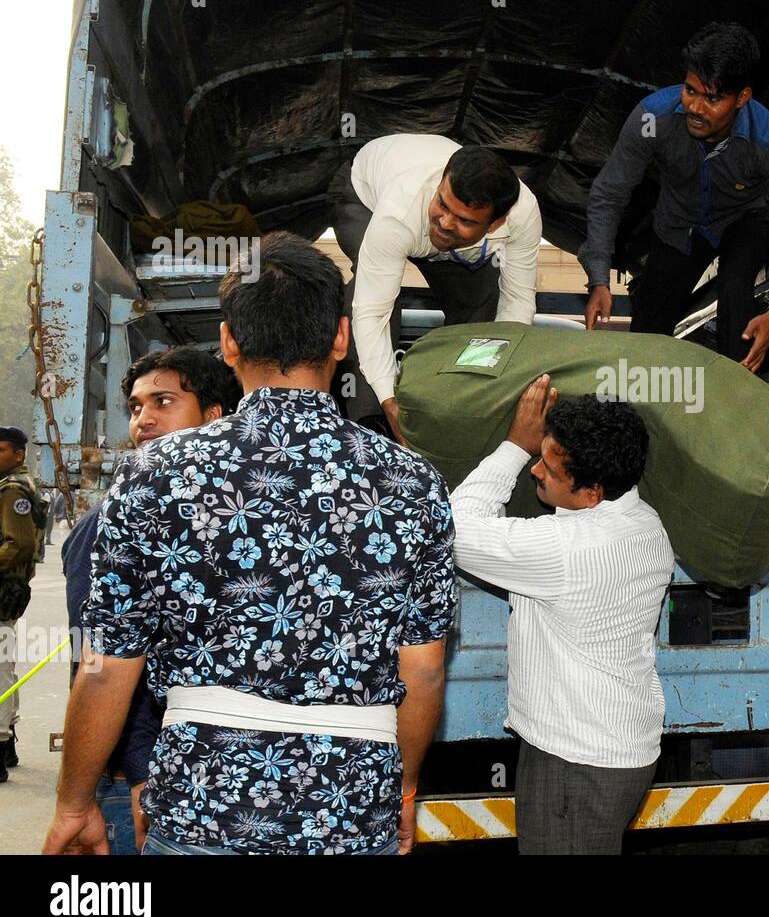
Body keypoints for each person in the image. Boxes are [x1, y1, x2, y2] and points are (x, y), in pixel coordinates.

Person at [44, 231, 459, 856]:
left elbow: (106, 670)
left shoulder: (156, 471)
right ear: (341, 338)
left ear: (229, 342)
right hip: (350, 811)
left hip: (202, 806)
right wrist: (402, 792)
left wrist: (75, 803)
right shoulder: (413, 479)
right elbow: (423, 671)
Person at [449, 378, 673, 854]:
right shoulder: (646, 524)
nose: (535, 470)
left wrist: (514, 444)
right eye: (538, 456)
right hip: (613, 749)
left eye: (548, 467)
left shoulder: (565, 550)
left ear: (592, 492)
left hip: (575, 761)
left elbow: (455, 527)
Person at [62, 347, 242, 852]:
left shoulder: (232, 519)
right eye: (137, 407)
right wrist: (141, 773)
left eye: (163, 402)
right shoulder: (108, 523)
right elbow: (102, 661)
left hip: (208, 777)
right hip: (135, 784)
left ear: (214, 416)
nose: (143, 419)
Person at [580, 22, 769, 373]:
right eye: (690, 90)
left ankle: (735, 401)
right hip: (677, 223)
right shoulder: (651, 118)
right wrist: (598, 278)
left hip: (745, 219)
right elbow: (609, 194)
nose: (695, 108)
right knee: (648, 324)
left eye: (712, 98)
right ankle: (637, 415)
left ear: (742, 98)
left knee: (736, 290)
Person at [329, 134, 542, 440]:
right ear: (442, 182)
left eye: (464, 220)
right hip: (362, 195)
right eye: (442, 204)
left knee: (483, 303)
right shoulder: (399, 211)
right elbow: (372, 313)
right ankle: (370, 424)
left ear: (495, 223)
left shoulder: (523, 216)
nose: (444, 222)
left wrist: (498, 383)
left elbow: (517, 304)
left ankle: (461, 401)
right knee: (374, 294)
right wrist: (390, 403)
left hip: (453, 246)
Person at [0, 427, 40, 784]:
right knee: (4, 668)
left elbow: (19, 544)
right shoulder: (16, 485)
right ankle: (7, 741)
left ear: (18, 454)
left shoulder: (12, 490)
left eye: (1, 451)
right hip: (8, 591)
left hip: (2, 589)